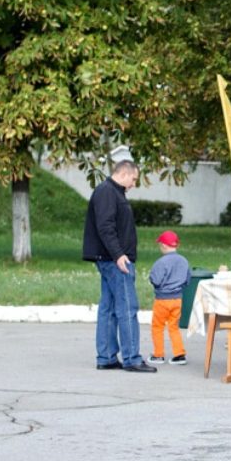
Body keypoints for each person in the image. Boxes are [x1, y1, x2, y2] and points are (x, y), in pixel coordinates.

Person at [83, 159, 156, 373]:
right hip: (115, 260)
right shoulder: (107, 192)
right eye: (133, 179)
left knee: (108, 308)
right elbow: (105, 226)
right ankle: (132, 358)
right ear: (123, 174)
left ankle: (106, 357)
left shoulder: (112, 192)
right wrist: (119, 255)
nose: (134, 183)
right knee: (127, 307)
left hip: (109, 259)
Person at [147, 230, 191, 366]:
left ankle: (158, 355)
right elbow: (187, 280)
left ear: (164, 245)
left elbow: (155, 280)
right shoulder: (184, 261)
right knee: (174, 327)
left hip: (162, 300)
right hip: (177, 299)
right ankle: (179, 354)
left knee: (157, 327)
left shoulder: (161, 262)